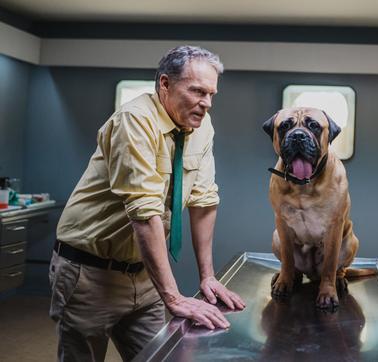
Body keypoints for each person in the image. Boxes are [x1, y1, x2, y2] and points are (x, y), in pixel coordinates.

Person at [49, 45, 245, 361]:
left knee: (161, 356)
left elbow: (203, 200)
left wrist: (207, 276)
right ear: (164, 84)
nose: (206, 104)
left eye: (211, 94)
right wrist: (172, 295)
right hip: (90, 272)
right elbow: (144, 212)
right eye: (197, 91)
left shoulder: (200, 125)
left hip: (144, 273)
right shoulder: (134, 120)